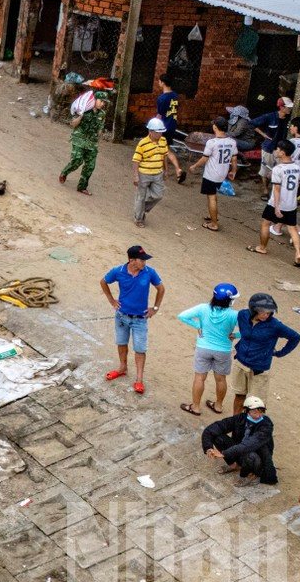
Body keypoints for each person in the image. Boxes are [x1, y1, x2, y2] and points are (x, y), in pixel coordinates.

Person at [101, 245, 164, 394]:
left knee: (140, 349)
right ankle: (122, 368)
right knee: (121, 343)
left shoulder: (149, 273)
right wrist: (111, 300)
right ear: (131, 260)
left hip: (140, 319)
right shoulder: (118, 271)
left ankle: (139, 379)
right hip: (122, 316)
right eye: (141, 260)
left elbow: (161, 289)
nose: (144, 263)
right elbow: (103, 281)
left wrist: (155, 308)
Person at [229, 291, 300, 414]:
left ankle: (253, 430)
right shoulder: (242, 315)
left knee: (256, 404)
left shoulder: (275, 326)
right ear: (253, 309)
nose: (265, 315)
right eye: (262, 311)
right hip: (240, 363)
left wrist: (280, 353)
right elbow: (247, 333)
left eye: (268, 312)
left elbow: (295, 337)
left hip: (259, 369)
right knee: (239, 396)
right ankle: (236, 424)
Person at [178, 283, 239, 416]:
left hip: (203, 348)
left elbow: (182, 316)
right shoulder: (234, 315)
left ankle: (195, 407)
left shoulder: (203, 308)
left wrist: (197, 325)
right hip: (223, 350)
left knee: (200, 377)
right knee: (221, 379)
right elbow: (249, 329)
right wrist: (236, 335)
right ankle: (218, 406)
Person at [201, 396, 277, 487]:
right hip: (240, 449)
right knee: (217, 437)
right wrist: (208, 447)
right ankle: (234, 465)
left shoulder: (266, 426)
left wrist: (225, 453)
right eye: (255, 412)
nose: (258, 415)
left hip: (257, 457)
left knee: (250, 456)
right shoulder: (240, 419)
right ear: (246, 411)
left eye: (261, 412)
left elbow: (249, 445)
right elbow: (211, 429)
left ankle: (249, 474)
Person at [258, 143, 300, 266]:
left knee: (265, 223)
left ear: (283, 153)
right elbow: (298, 184)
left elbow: (277, 189)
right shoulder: (298, 168)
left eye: (278, 149)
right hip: (291, 204)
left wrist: (277, 207)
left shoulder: (278, 169)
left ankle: (262, 247)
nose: (276, 151)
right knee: (292, 228)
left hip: (277, 203)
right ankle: (297, 253)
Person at [197, 116, 239, 231]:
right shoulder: (232, 142)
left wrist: (194, 166)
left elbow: (204, 158)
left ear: (215, 127)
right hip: (222, 173)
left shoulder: (212, 142)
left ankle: (214, 224)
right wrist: (233, 171)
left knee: (211, 197)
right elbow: (234, 159)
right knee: (213, 195)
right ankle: (212, 216)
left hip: (211, 174)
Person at [59, 89, 105, 194]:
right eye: (101, 101)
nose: (102, 104)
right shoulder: (83, 109)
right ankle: (65, 172)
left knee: (90, 166)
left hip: (92, 142)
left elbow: (100, 129)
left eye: (103, 102)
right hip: (79, 139)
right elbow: (73, 124)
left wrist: (99, 136)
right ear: (94, 100)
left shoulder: (101, 114)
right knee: (77, 160)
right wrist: (81, 115)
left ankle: (82, 187)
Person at [131, 117, 172, 227]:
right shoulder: (142, 144)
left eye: (161, 132)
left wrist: (166, 171)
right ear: (151, 131)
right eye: (158, 132)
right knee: (140, 196)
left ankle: (142, 208)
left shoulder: (163, 141)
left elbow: (165, 156)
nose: (160, 135)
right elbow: (136, 160)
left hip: (158, 173)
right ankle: (139, 218)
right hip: (144, 173)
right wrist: (136, 176)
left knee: (158, 195)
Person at [251, 97, 296, 180]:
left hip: (282, 149)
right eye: (288, 107)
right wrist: (263, 134)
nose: (290, 109)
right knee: (265, 171)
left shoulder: (289, 119)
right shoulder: (269, 116)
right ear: (282, 107)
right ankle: (265, 189)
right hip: (269, 147)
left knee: (279, 171)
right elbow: (252, 123)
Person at [155, 76, 188, 182]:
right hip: (172, 125)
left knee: (164, 150)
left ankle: (168, 172)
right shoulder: (175, 95)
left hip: (163, 127)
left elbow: (160, 115)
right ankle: (174, 170)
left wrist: (153, 125)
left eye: (159, 81)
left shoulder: (162, 98)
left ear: (163, 83)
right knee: (166, 149)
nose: (158, 83)